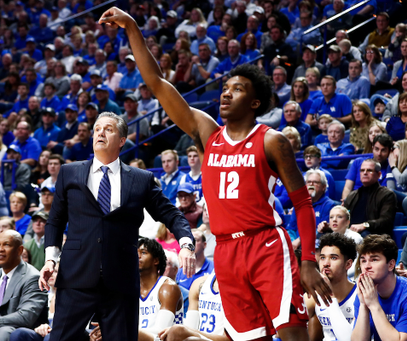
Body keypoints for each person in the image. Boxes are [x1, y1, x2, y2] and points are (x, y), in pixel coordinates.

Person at [100, 8, 332, 341]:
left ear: (255, 103)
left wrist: (308, 260)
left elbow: (302, 203)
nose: (225, 93)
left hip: (265, 243)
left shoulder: (272, 141)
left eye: (237, 90)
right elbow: (156, 82)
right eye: (225, 87)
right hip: (223, 250)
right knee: (249, 339)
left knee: (292, 333)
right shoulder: (207, 134)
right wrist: (132, 28)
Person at [39, 111, 195, 341]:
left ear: (122, 140)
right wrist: (50, 259)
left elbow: (170, 213)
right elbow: (55, 219)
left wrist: (185, 243)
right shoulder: (69, 172)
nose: (100, 132)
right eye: (97, 129)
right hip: (76, 276)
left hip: (120, 280)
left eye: (108, 129)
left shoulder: (141, 178)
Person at [351, 234, 407, 341]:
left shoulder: (406, 293)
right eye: (363, 260)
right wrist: (363, 305)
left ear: (391, 265)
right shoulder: (366, 292)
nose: (366, 266)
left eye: (374, 260)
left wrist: (373, 305)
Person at [305, 233, 357, 341]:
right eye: (322, 257)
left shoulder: (360, 295)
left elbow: (349, 339)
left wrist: (330, 296)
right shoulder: (313, 296)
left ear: (348, 264)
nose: (325, 263)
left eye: (333, 258)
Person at [137, 238, 183, 335]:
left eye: (143, 252)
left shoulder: (168, 288)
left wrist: (120, 331)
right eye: (135, 252)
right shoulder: (131, 289)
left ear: (156, 260)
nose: (138, 256)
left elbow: (160, 333)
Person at [343, 159, 397, 237]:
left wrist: (365, 225)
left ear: (379, 174)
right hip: (351, 234)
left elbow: (386, 221)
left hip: (373, 237)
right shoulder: (351, 196)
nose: (365, 173)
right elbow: (344, 218)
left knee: (365, 235)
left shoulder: (387, 195)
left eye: (369, 170)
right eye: (362, 170)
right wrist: (330, 226)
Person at [286, 170, 337, 250]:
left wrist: (300, 240)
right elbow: (291, 229)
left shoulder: (329, 205)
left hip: (315, 247)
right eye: (308, 182)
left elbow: (320, 230)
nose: (311, 184)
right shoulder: (299, 204)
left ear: (323, 187)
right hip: (296, 246)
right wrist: (293, 242)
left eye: (315, 182)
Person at [342, 134, 394, 200]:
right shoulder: (358, 162)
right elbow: (347, 187)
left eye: (383, 150)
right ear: (372, 148)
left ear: (390, 151)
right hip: (355, 201)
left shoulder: (391, 167)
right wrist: (345, 205)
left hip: (376, 203)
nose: (379, 154)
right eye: (376, 149)